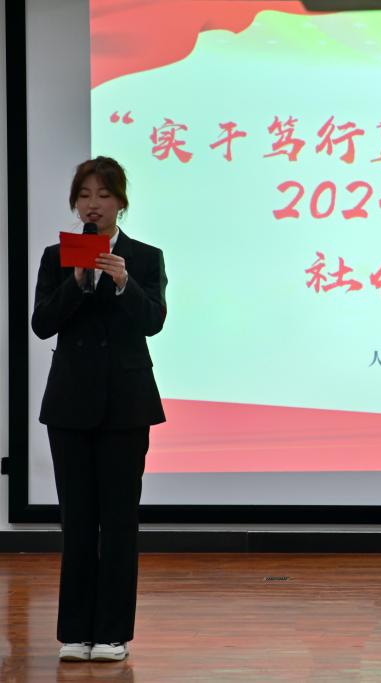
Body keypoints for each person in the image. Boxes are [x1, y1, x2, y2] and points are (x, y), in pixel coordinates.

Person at [31, 156, 168, 663]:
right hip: (70, 405)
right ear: (75, 203)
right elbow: (42, 324)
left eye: (104, 196)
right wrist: (77, 283)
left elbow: (153, 321)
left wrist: (124, 283)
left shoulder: (145, 257)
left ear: (120, 203)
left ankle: (112, 634)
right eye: (85, 196)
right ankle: (75, 632)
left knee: (119, 521)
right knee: (77, 521)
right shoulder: (57, 257)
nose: (94, 205)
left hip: (126, 405)